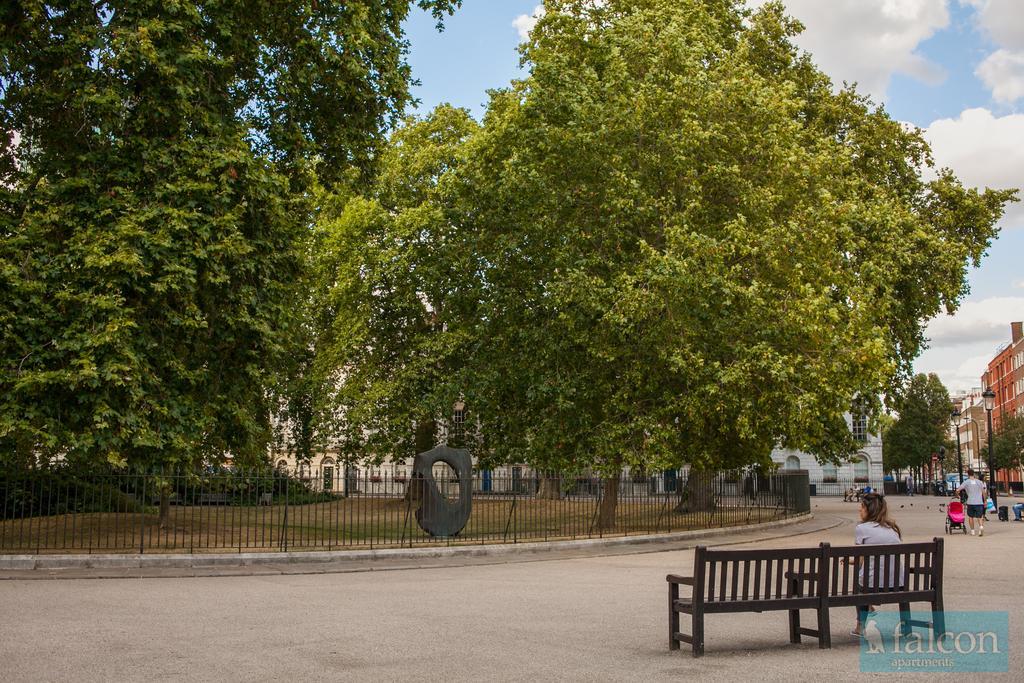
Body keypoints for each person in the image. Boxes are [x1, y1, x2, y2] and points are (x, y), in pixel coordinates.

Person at [849, 492, 902, 638]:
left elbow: (859, 559)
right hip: (897, 583)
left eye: (862, 507)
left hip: (873, 585)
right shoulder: (893, 528)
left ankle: (860, 626)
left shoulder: (862, 529)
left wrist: (853, 561)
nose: (859, 510)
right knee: (868, 576)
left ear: (869, 509)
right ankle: (870, 603)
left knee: (860, 583)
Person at [955, 468, 987, 536]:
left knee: (970, 516)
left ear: (968, 474)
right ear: (974, 474)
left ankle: (972, 531)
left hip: (970, 502)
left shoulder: (966, 482)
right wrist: (985, 501)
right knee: (979, 516)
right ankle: (981, 526)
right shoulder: (979, 482)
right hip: (979, 502)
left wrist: (958, 496)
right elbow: (984, 492)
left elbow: (957, 490)